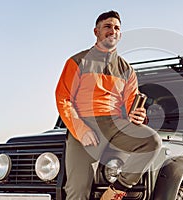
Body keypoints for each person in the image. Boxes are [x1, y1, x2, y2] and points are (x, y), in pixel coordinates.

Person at [55, 10, 162, 200]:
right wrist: (80, 129)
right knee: (77, 190)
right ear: (96, 31)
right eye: (107, 26)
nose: (112, 31)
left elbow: (132, 103)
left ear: (120, 35)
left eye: (117, 28)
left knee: (152, 142)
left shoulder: (127, 70)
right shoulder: (77, 61)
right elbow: (64, 99)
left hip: (116, 125)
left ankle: (115, 191)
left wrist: (138, 114)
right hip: (87, 127)